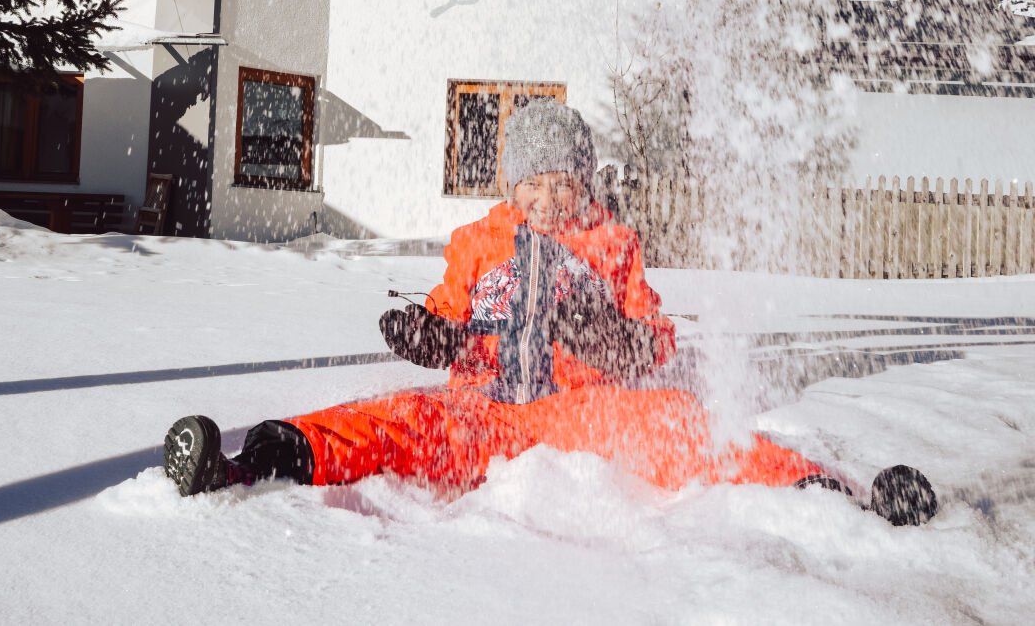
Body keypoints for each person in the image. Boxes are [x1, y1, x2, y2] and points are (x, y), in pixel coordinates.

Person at [162, 100, 937, 526]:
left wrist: (613, 338)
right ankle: (252, 461)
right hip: (482, 408)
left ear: (582, 181)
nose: (544, 200)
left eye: (559, 184)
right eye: (529, 185)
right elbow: (448, 314)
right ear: (510, 187)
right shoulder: (478, 241)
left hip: (582, 412)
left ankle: (833, 494)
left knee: (679, 427)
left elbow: (655, 339)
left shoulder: (611, 243)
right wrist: (430, 338)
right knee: (389, 421)